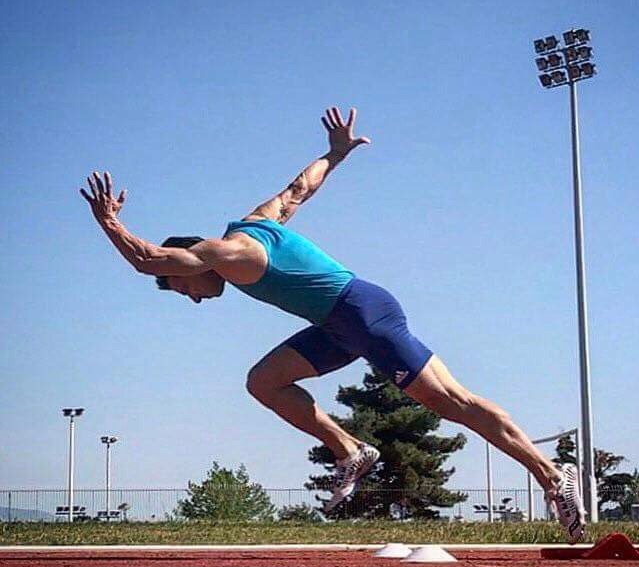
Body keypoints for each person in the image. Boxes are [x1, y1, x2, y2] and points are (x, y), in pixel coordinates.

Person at [80, 106, 586, 542]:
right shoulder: (253, 223)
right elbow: (297, 191)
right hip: (335, 324)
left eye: (182, 287)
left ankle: (552, 476)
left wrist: (109, 222)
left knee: (452, 402)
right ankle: (349, 449)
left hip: (363, 313)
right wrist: (336, 153)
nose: (192, 298)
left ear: (190, 262)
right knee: (264, 381)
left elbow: (147, 259)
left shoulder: (226, 252)